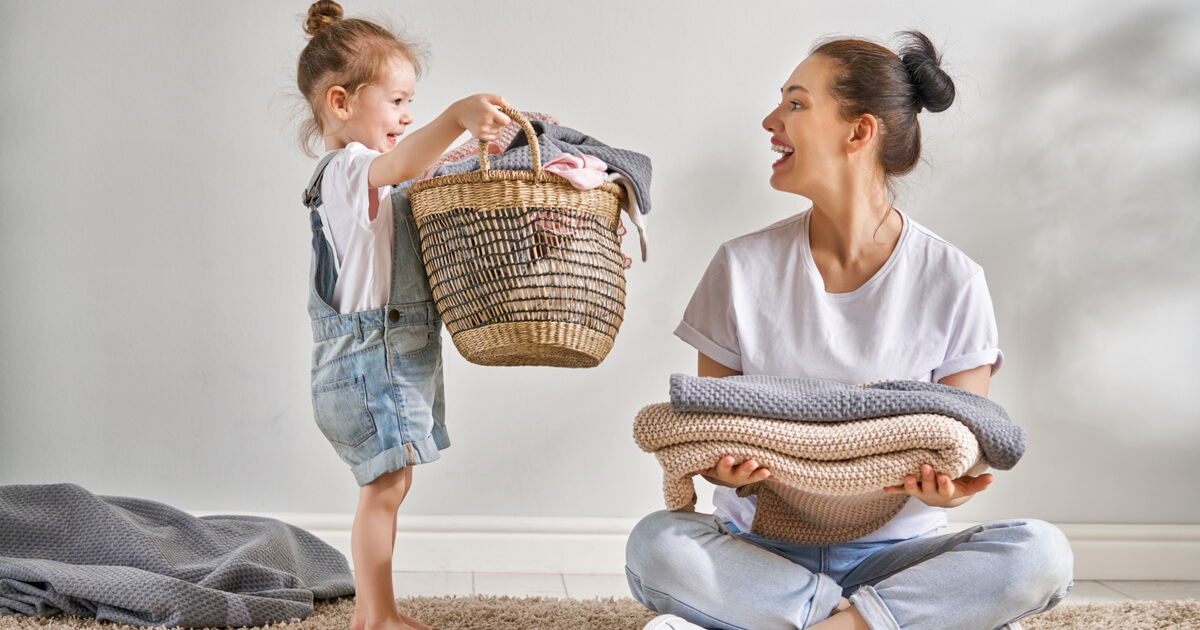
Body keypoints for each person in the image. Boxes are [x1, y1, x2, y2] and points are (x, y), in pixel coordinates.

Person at [625, 32, 1074, 630]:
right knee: (657, 544)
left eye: (795, 103)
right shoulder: (740, 266)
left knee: (1039, 555)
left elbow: (964, 444)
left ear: (858, 132)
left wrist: (952, 490)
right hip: (760, 552)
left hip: (895, 558)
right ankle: (870, 624)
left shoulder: (953, 278)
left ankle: (820, 623)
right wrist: (717, 467)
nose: (770, 119)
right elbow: (714, 425)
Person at [294, 3, 510, 630]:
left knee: (390, 488)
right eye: (396, 100)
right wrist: (454, 118)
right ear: (342, 103)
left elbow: (412, 178)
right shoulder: (347, 171)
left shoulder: (373, 183)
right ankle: (374, 616)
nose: (408, 114)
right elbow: (404, 162)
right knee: (383, 491)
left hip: (389, 357)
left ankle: (376, 612)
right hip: (368, 362)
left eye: (412, 102)